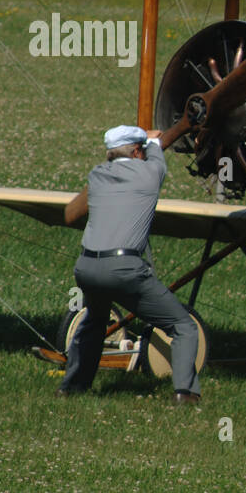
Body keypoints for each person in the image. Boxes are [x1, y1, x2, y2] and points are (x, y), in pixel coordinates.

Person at [58, 125, 201, 404]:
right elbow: (157, 151)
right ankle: (186, 392)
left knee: (95, 321)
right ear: (137, 151)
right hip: (124, 269)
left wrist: (145, 142)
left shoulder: (97, 175)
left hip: (86, 267)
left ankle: (71, 387)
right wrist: (153, 140)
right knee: (183, 326)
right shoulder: (150, 173)